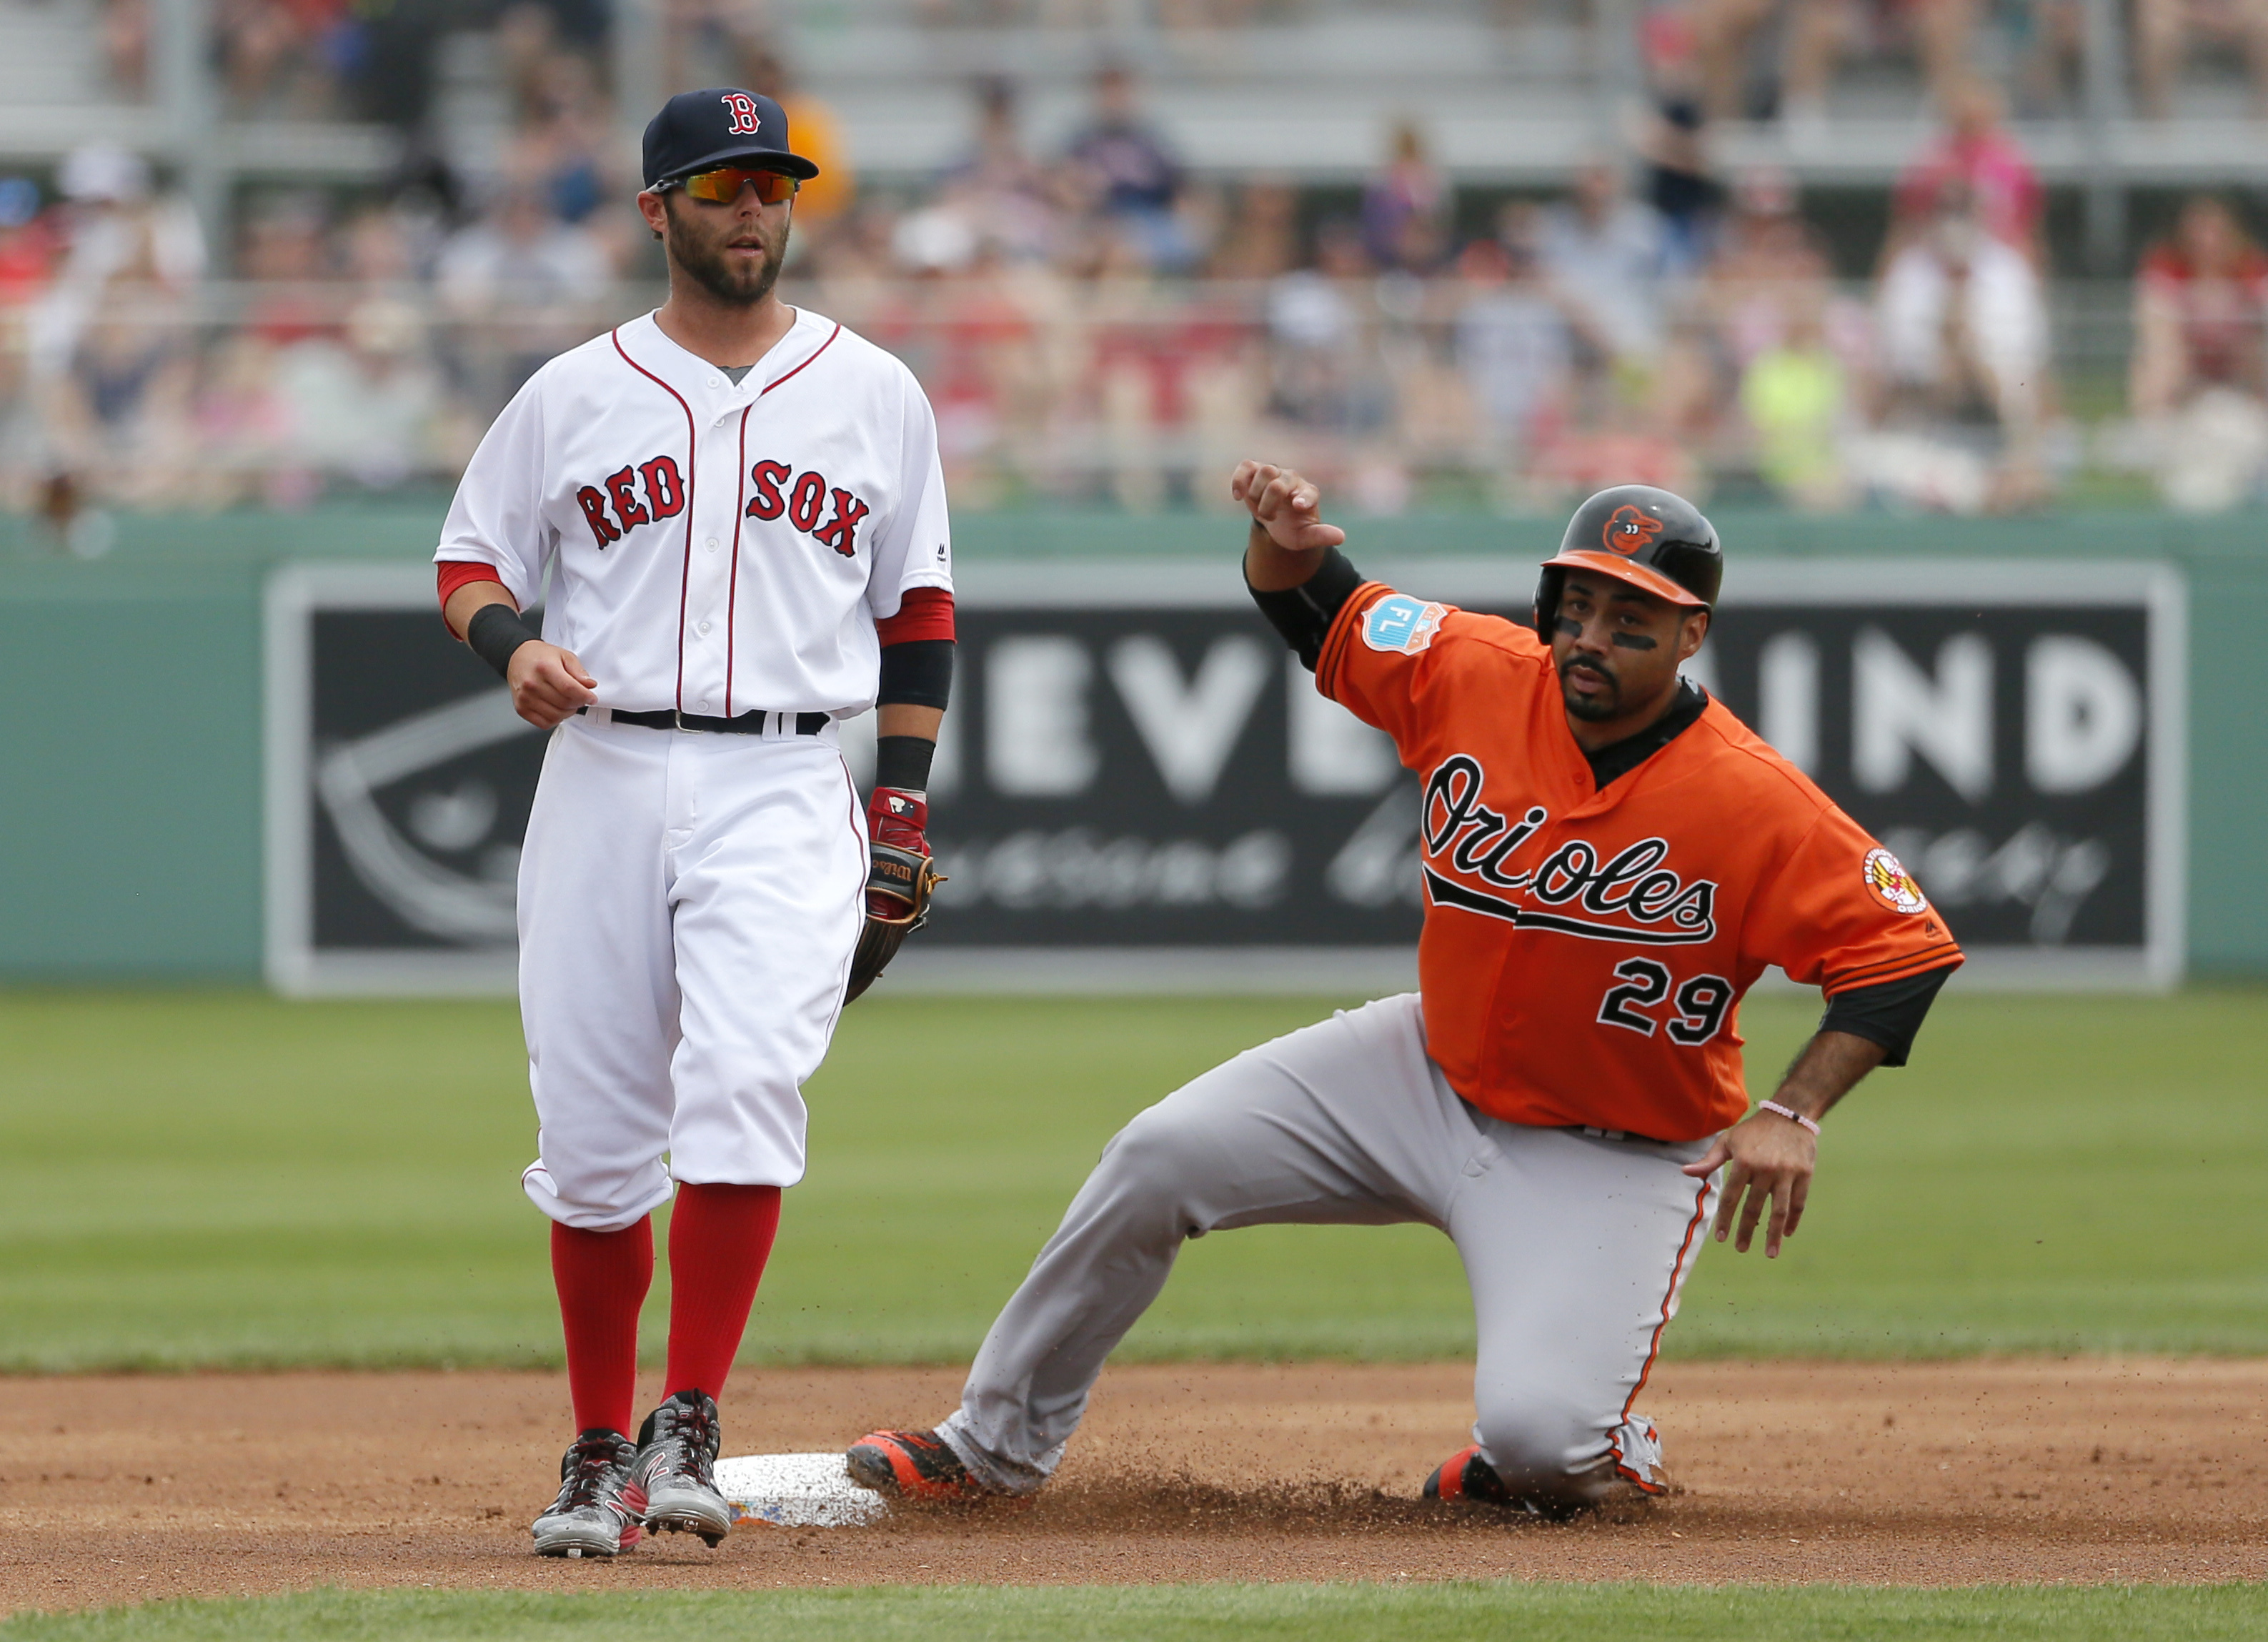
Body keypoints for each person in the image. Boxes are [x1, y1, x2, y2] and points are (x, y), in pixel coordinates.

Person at [843, 472, 1962, 1514]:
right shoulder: (1475, 668)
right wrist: (1279, 544)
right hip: (1424, 1070)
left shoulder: (1753, 798)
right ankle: (991, 1445)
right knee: (1156, 1153)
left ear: (1689, 634)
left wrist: (1791, 1108)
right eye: (1575, 607)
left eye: (1630, 620)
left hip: (1612, 1145)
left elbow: (1902, 952)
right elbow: (1315, 606)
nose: (1590, 638)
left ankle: (1606, 1445)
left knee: (1537, 1449)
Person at [431, 86, 956, 1558]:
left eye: (770, 185)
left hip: (790, 780)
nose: (751, 208)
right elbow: (470, 561)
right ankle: (597, 1447)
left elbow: (917, 611)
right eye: (720, 185)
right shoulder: (572, 393)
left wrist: (899, 801)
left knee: (741, 1091)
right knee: (596, 1138)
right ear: (658, 210)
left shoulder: (876, 392)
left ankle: (689, 1420)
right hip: (604, 771)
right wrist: (508, 646)